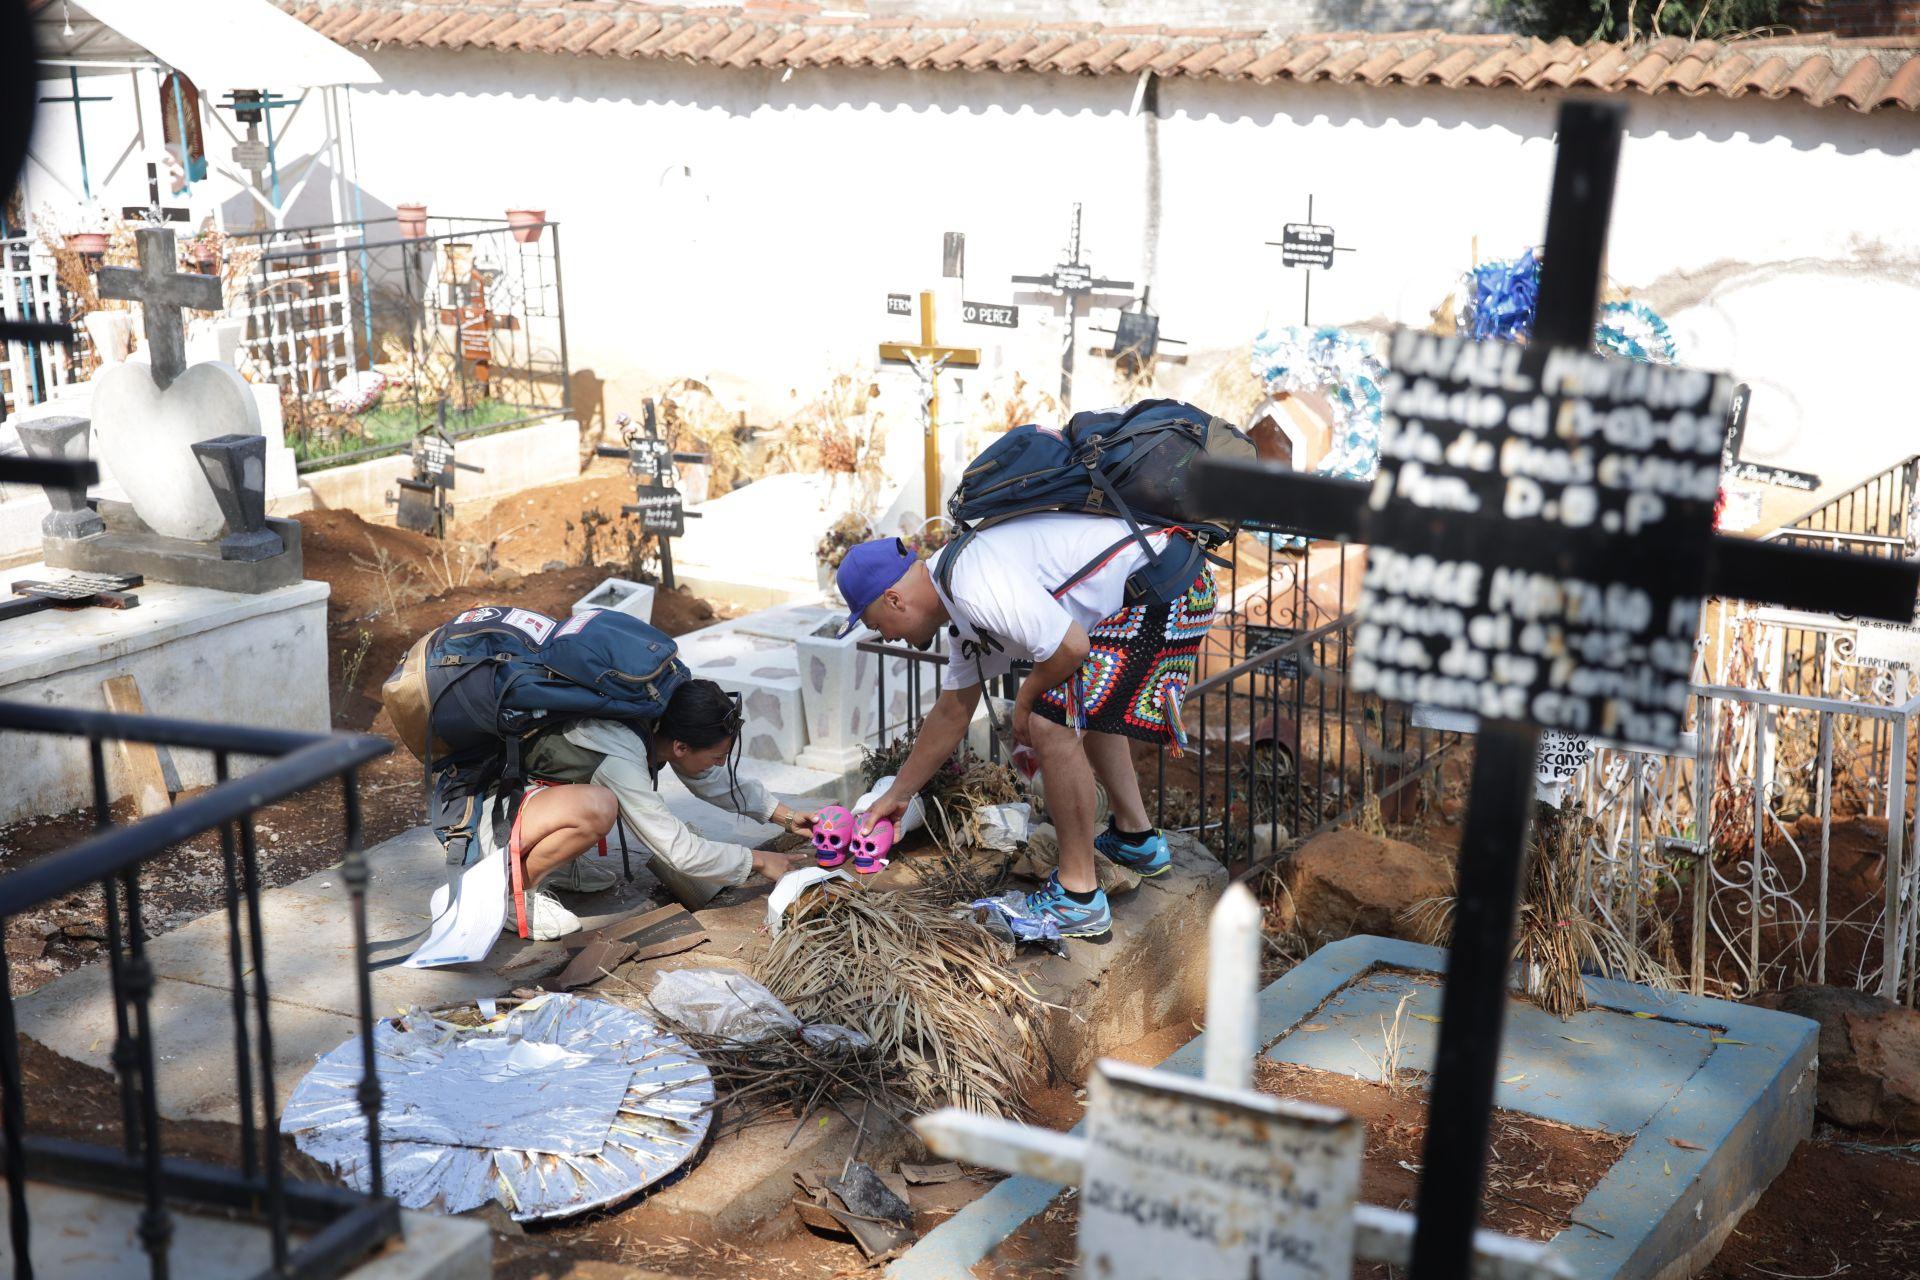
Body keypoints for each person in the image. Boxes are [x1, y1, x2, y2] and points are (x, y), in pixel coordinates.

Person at [838, 518, 1218, 938]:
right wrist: (898, 794)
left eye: (876, 626)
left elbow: (1070, 647)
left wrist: (1026, 699)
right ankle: (1136, 838)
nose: (886, 638)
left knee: (1051, 723)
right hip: (1169, 581)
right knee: (1078, 705)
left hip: (1165, 584)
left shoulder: (968, 578)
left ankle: (1078, 899)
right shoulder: (961, 609)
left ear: (893, 599)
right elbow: (951, 713)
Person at [436, 677, 813, 941]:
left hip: (528, 796)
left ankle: (556, 863)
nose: (718, 765)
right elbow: (681, 852)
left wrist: (785, 816)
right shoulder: (619, 757)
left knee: (607, 802)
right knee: (599, 807)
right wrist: (761, 861)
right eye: (716, 756)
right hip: (486, 810)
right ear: (680, 746)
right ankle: (510, 893)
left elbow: (709, 780)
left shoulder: (654, 717)